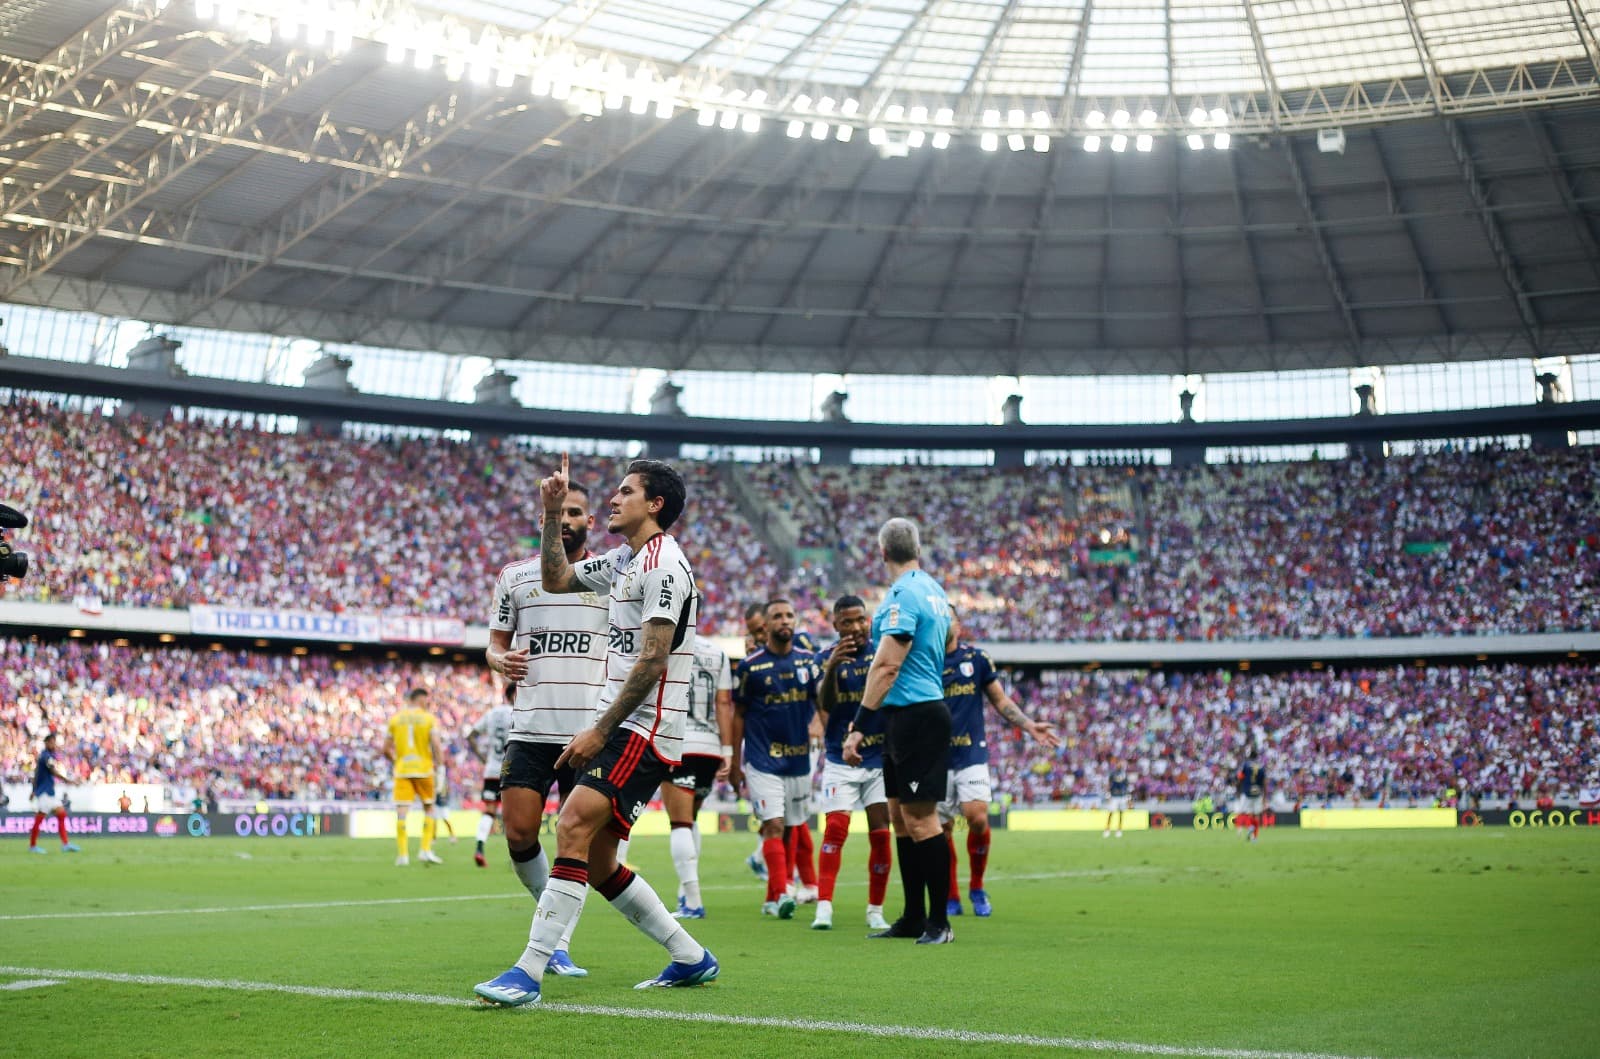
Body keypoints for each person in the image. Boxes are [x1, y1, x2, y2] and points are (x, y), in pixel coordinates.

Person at [475, 455, 717, 1007]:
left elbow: (653, 660)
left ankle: (529, 971)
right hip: (619, 724)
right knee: (603, 863)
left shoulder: (664, 567)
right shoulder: (626, 560)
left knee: (572, 825)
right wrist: (550, 512)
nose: (613, 498)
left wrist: (597, 731)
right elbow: (557, 577)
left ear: (654, 505)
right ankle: (690, 957)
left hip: (642, 727)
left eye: (625, 491)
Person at [482, 481, 611, 978]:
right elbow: (493, 646)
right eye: (559, 513)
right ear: (544, 521)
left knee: (578, 845)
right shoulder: (514, 577)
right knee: (518, 834)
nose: (567, 520)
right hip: (532, 728)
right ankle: (552, 930)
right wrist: (500, 660)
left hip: (589, 733)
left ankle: (554, 944)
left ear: (590, 522)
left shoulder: (611, 578)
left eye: (576, 512)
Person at [843, 517, 955, 945]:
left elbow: (887, 664)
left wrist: (859, 727)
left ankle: (940, 923)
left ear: (882, 552)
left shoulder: (902, 595)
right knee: (901, 819)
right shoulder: (934, 590)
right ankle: (912, 916)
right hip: (909, 713)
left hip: (915, 714)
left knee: (921, 819)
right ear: (918, 549)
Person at [941, 618, 1060, 916]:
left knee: (976, 817)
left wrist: (1029, 725)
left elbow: (1000, 699)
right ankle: (951, 894)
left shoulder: (976, 658)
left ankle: (977, 887)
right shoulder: (923, 660)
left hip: (971, 752)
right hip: (936, 756)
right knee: (941, 829)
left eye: (950, 616)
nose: (945, 622)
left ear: (958, 624)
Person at [731, 598, 822, 919]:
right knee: (774, 824)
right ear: (765, 626)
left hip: (798, 760)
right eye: (777, 617)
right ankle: (784, 892)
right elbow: (737, 715)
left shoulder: (809, 661)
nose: (784, 621)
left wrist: (819, 722)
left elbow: (823, 702)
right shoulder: (749, 666)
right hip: (762, 759)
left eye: (789, 615)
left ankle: (774, 895)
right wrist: (734, 762)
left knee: (790, 829)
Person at [811, 593, 893, 931]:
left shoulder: (885, 652)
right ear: (835, 625)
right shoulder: (824, 658)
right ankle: (824, 907)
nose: (857, 627)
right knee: (836, 829)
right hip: (839, 757)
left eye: (861, 619)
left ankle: (875, 910)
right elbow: (825, 706)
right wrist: (832, 670)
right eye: (848, 622)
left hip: (879, 757)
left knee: (881, 835)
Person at [661, 631, 734, 919]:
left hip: (678, 743)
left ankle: (693, 901)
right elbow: (724, 703)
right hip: (710, 747)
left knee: (679, 823)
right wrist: (727, 750)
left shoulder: (666, 645)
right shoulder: (718, 652)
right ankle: (685, 893)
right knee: (690, 819)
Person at [385, 688, 444, 865]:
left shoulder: (395, 719)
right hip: (424, 769)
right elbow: (436, 745)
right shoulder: (428, 718)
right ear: (419, 699)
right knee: (429, 808)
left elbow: (385, 749)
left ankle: (402, 855)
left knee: (402, 813)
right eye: (426, 700)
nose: (428, 703)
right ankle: (425, 851)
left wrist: (397, 761)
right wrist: (440, 768)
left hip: (403, 770)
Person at [467, 684, 515, 868]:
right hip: (511, 768)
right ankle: (517, 857)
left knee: (489, 811)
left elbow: (471, 735)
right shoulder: (520, 712)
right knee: (513, 814)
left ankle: (479, 848)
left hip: (492, 769)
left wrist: (482, 758)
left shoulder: (493, 713)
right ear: (514, 694)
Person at [28, 733, 81, 854]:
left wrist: (33, 790)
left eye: (54, 742)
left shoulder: (47, 756)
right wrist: (69, 781)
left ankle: (66, 844)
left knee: (61, 814)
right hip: (44, 794)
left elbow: (37, 775)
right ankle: (32, 846)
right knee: (39, 819)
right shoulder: (45, 757)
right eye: (51, 742)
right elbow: (53, 772)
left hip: (49, 793)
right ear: (46, 743)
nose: (53, 744)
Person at [1237, 746, 1268, 842]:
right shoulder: (1261, 767)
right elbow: (1264, 782)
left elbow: (1240, 777)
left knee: (1246, 813)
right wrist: (1264, 796)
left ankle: (1250, 826)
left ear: (1249, 756)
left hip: (1247, 792)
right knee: (1256, 815)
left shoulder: (1246, 765)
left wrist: (1239, 789)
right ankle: (1255, 837)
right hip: (1258, 793)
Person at [1104, 757, 1131, 838]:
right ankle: (1107, 829)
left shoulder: (1124, 774)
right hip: (1114, 796)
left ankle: (1119, 829)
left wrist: (1128, 797)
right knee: (1111, 813)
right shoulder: (1112, 774)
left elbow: (1127, 786)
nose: (1119, 765)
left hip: (1122, 796)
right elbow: (1109, 784)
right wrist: (1108, 794)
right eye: (1118, 763)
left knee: (1121, 813)